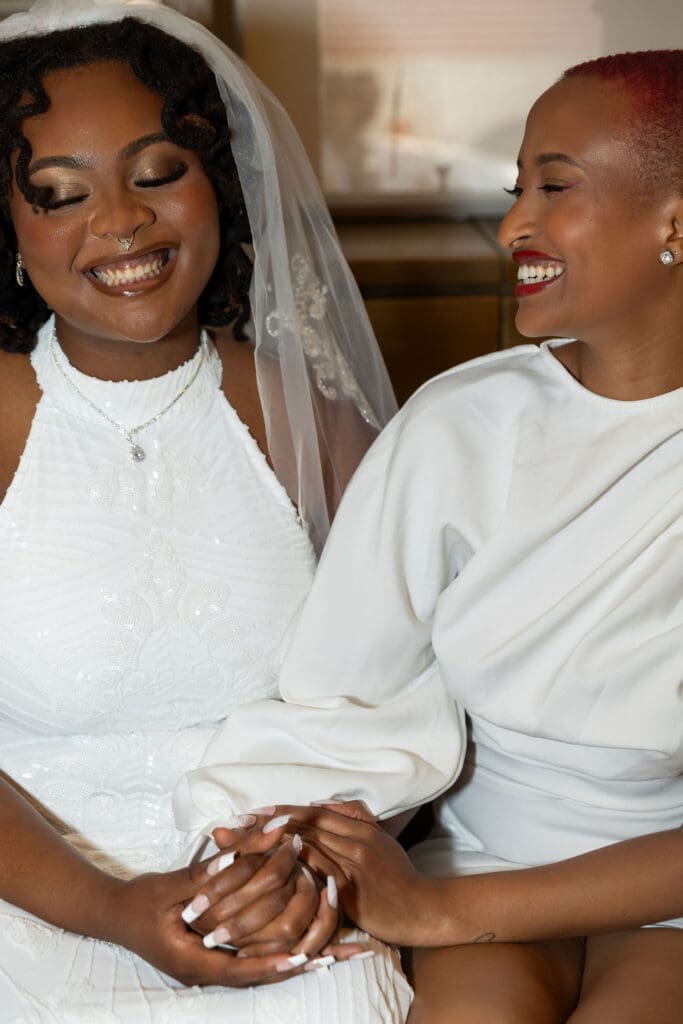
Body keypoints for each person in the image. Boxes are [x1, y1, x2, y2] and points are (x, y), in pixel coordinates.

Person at [171, 50, 683, 1023]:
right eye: (513, 189)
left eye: (553, 187)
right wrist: (269, 854)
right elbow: (341, 691)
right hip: (475, 851)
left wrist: (440, 909)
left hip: (657, 888)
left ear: (674, 218)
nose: (511, 226)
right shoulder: (459, 424)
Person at [0, 1, 413, 1020]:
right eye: (58, 194)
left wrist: (304, 865)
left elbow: (404, 700)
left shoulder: (309, 421)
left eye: (156, 173)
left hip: (278, 909)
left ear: (219, 185)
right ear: (10, 230)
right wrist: (113, 906)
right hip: (31, 910)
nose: (121, 221)